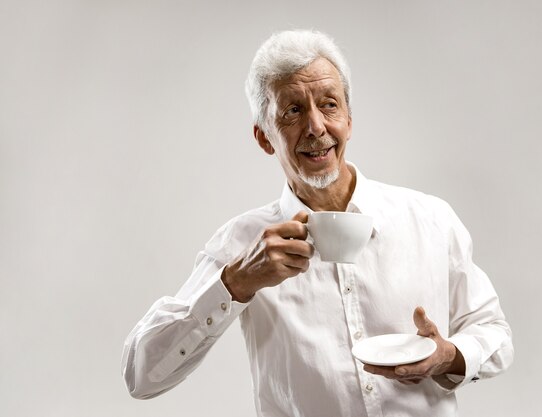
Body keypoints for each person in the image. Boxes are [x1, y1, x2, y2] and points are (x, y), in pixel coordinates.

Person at [122, 29, 514, 416]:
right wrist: (236, 282)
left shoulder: (430, 219)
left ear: (348, 118)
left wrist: (449, 356)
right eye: (292, 111)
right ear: (264, 138)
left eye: (329, 105)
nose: (315, 127)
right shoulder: (241, 244)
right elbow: (142, 376)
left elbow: (494, 333)